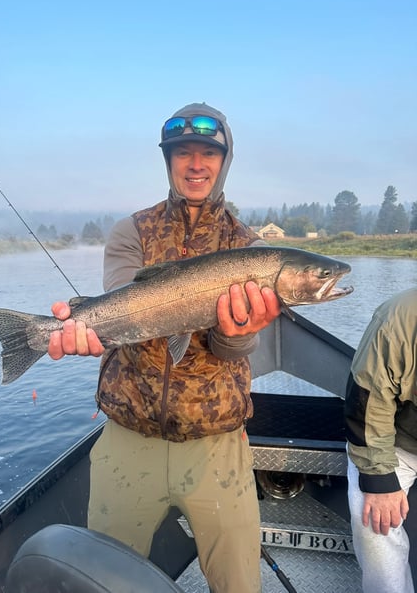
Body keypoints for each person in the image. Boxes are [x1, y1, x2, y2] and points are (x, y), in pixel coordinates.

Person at [48, 102, 281, 593]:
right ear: (169, 160)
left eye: (208, 154)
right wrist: (91, 330)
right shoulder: (130, 232)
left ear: (225, 161)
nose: (196, 164)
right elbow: (120, 305)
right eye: (183, 153)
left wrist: (238, 332)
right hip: (129, 439)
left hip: (217, 445)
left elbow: (230, 350)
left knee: (240, 584)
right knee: (101, 583)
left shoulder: (249, 247)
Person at [345, 286, 417, 593]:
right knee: (373, 523)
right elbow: (369, 399)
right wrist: (380, 479)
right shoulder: (401, 315)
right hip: (399, 441)